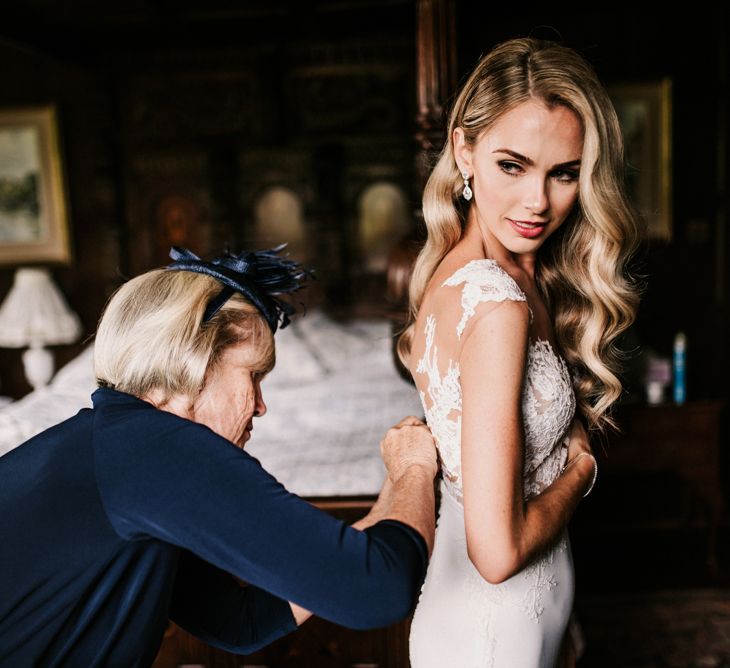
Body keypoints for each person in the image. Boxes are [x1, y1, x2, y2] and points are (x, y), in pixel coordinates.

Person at [0, 246, 438, 667]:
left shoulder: (120, 444)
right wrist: (416, 467)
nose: (261, 405)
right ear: (194, 360)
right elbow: (378, 591)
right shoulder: (156, 448)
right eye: (253, 375)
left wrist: (396, 486)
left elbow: (239, 620)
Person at [398, 37, 642, 666]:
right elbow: (498, 553)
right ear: (464, 151)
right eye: (513, 165)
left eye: (563, 173)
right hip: (491, 630)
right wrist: (580, 470)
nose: (538, 201)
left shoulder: (480, 273)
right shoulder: (496, 303)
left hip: (514, 619)